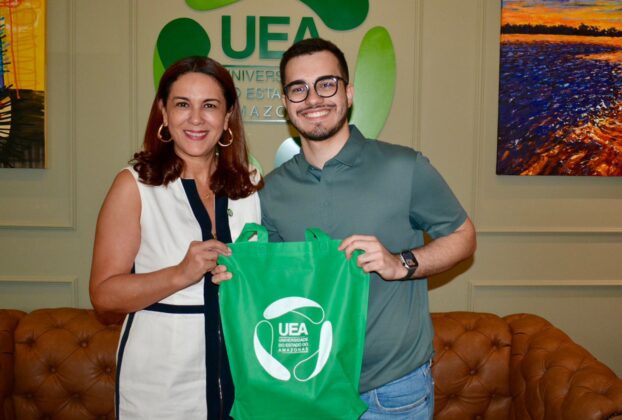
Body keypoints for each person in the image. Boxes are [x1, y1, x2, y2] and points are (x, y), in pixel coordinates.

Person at [216, 38, 476, 419]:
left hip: (392, 389)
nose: (313, 98)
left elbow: (463, 237)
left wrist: (399, 263)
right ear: (286, 103)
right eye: (298, 89)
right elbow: (273, 284)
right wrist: (238, 275)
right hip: (307, 387)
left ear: (348, 93)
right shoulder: (271, 191)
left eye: (326, 84)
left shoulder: (404, 167)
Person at [89, 56, 262, 419]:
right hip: (161, 384)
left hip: (243, 376)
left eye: (209, 106)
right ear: (164, 113)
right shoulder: (134, 185)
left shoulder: (249, 184)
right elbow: (103, 296)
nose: (196, 118)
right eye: (183, 104)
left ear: (227, 116)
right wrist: (180, 274)